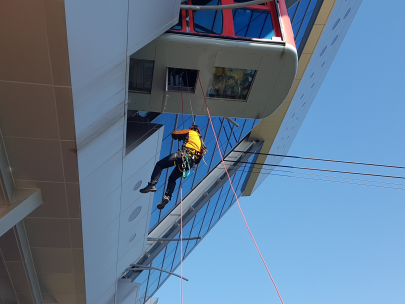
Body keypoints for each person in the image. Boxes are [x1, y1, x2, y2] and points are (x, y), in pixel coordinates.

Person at [140, 125, 204, 210]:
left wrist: (181, 137)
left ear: (192, 129)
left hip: (183, 155)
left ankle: (152, 184)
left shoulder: (190, 132)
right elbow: (198, 160)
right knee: (172, 179)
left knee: (160, 164)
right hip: (190, 162)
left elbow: (174, 134)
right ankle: (167, 196)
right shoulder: (201, 143)